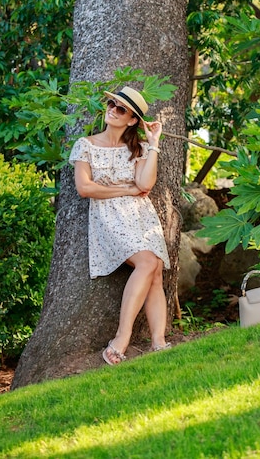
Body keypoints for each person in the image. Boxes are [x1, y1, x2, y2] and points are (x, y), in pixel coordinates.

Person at [69, 86, 171, 365]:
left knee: (155, 269)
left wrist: (154, 143)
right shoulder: (86, 144)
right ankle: (121, 339)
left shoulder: (135, 148)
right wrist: (125, 190)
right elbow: (85, 188)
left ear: (132, 120)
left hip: (140, 216)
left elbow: (145, 184)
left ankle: (159, 342)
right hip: (109, 216)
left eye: (121, 109)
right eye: (112, 104)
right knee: (148, 262)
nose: (112, 109)